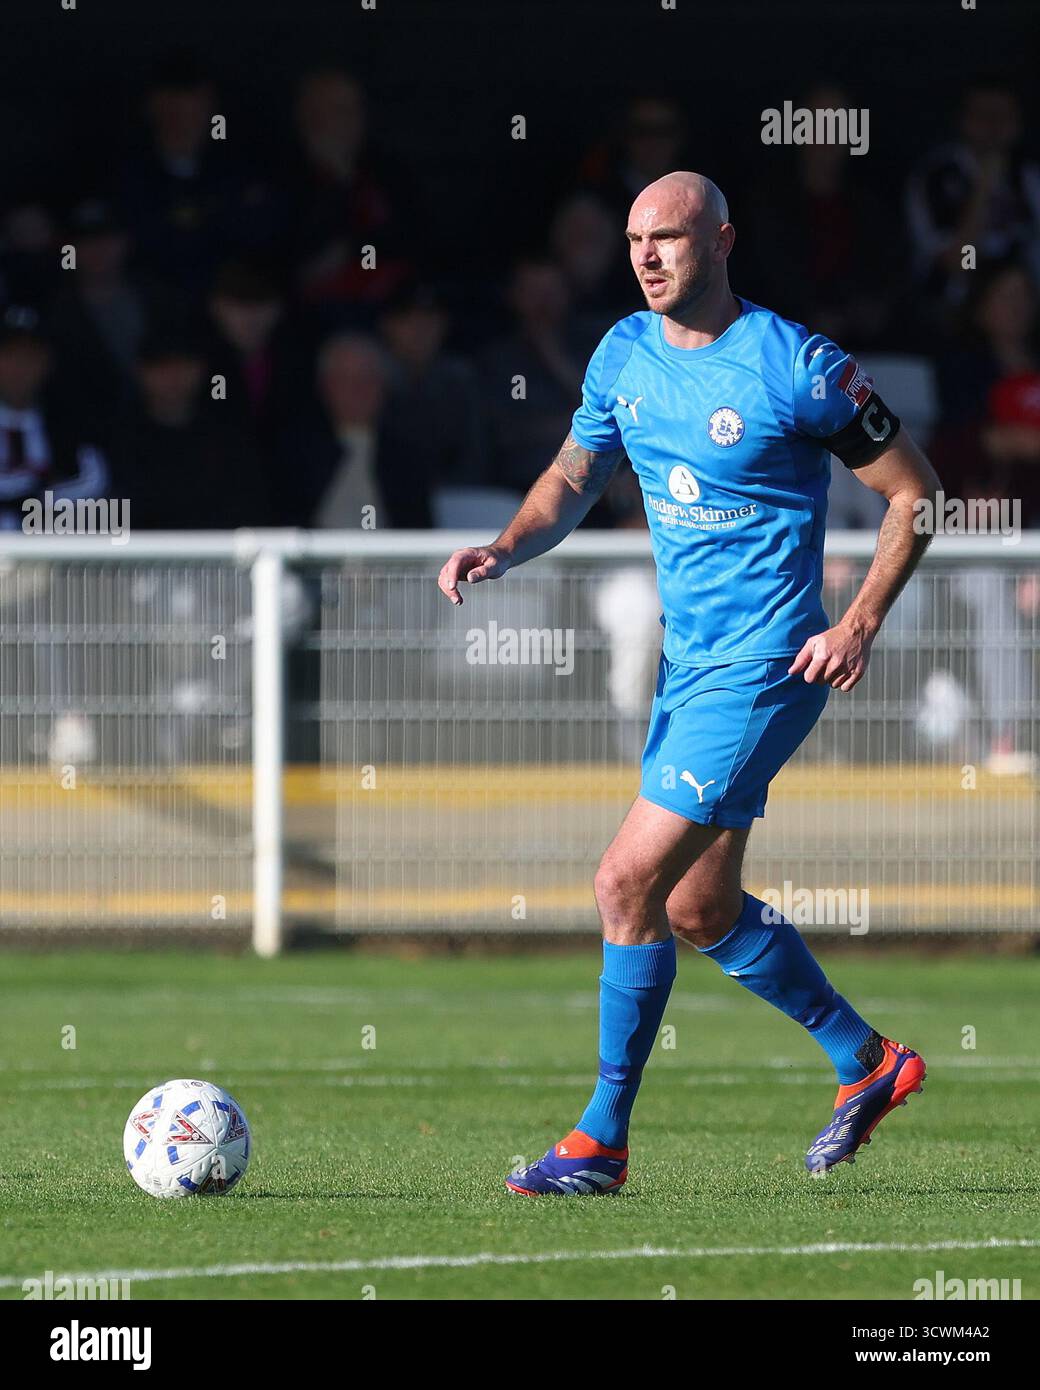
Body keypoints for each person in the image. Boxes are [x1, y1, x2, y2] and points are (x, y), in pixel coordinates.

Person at [439, 171, 940, 1193]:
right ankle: (866, 1060)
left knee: (623, 881)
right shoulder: (622, 351)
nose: (645, 256)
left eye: (665, 237)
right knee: (695, 909)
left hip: (766, 665)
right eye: (633, 240)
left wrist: (857, 621)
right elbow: (573, 476)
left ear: (719, 240)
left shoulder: (796, 365)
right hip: (689, 667)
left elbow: (915, 495)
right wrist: (505, 547)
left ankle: (598, 1141)